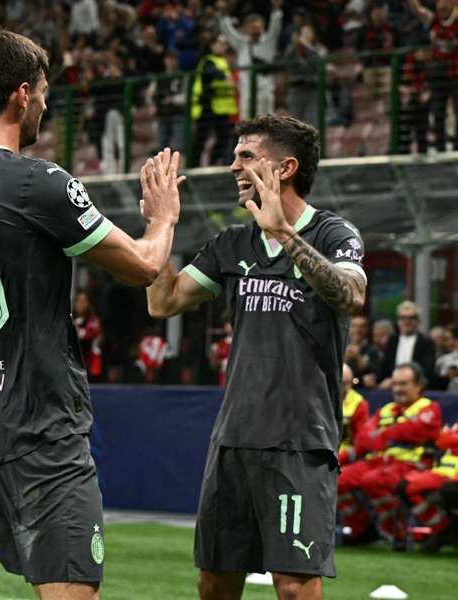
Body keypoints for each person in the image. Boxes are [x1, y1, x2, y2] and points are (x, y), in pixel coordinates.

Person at [0, 28, 181, 600]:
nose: (44, 105)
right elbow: (142, 266)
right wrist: (163, 218)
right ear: (20, 95)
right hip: (42, 427)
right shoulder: (38, 180)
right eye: (42, 94)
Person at [147, 114, 367, 600]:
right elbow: (163, 302)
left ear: (285, 168)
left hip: (299, 441)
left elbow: (351, 294)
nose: (233, 167)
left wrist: (286, 235)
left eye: (246, 156)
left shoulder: (334, 233)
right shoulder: (232, 244)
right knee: (215, 582)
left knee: (293, 587)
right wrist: (160, 226)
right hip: (233, 438)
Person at [338, 363, 441, 549]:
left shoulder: (429, 408)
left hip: (412, 464)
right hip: (380, 462)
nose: (398, 389)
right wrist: (391, 435)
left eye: (403, 384)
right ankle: (361, 529)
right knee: (338, 478)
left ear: (418, 385)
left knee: (373, 480)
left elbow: (415, 431)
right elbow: (362, 439)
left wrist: (382, 435)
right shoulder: (386, 409)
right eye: (395, 384)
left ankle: (397, 533)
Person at [396, 390, 458, 554]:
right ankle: (442, 528)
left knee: (451, 489)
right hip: (445, 472)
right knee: (405, 486)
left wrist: (457, 444)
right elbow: (442, 440)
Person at [408, 0, 458, 151]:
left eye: (446, 2)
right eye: (439, 3)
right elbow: (417, 10)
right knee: (438, 113)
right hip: (439, 75)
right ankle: (441, 149)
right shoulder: (432, 20)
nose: (442, 6)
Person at [217, 0, 284, 119]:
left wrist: (276, 8)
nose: (255, 30)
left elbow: (275, 25)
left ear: (263, 27)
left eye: (258, 27)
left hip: (264, 92)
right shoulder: (242, 44)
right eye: (252, 27)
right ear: (247, 28)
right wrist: (224, 13)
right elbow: (228, 31)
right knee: (246, 126)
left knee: (265, 127)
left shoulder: (268, 42)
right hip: (246, 91)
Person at [190, 35, 238, 168]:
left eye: (224, 44)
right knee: (200, 139)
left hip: (220, 108)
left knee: (223, 138)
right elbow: (211, 72)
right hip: (207, 106)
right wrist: (223, 76)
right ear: (212, 45)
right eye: (220, 43)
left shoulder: (222, 61)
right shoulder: (207, 61)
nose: (223, 46)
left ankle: (213, 163)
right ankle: (193, 166)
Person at [377, 301, 436, 389]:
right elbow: (384, 366)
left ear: (418, 321)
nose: (407, 321)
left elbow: (427, 370)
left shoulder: (426, 342)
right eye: (403, 318)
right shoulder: (392, 340)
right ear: (398, 321)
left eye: (411, 318)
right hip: (391, 388)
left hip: (416, 388)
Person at [337, 363, 369, 467]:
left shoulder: (359, 404)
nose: (346, 389)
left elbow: (360, 441)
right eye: (342, 384)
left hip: (343, 454)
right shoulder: (320, 399)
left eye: (349, 383)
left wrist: (341, 457)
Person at [73, 290, 104, 383]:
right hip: (73, 365)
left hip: (92, 366)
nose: (82, 304)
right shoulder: (70, 319)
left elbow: (89, 334)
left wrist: (78, 331)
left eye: (85, 301)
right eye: (79, 301)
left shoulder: (94, 320)